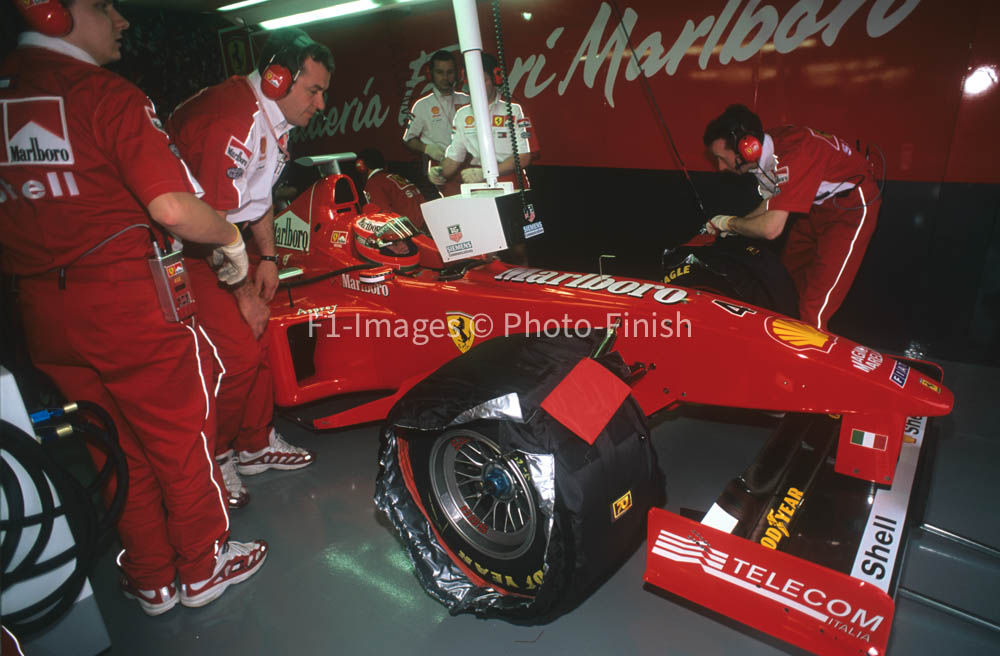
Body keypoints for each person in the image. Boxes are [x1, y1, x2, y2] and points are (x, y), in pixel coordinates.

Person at [0, 0, 267, 615]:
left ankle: (150, 577)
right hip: (125, 298)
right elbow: (172, 208)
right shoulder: (105, 95)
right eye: (102, 5)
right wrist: (229, 238)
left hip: (39, 309)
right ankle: (203, 564)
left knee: (111, 444)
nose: (121, 19)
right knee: (179, 435)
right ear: (50, 12)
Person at [167, 28, 332, 509]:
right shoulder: (231, 120)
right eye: (314, 90)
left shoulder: (269, 117)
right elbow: (213, 226)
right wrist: (243, 294)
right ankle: (216, 457)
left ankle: (255, 446)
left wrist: (270, 259)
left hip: (226, 242)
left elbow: (257, 199)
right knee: (235, 356)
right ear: (279, 78)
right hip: (187, 250)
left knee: (260, 340)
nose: (321, 105)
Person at [702, 104, 880, 330]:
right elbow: (770, 204)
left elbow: (770, 229)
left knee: (812, 310)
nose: (719, 167)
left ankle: (810, 356)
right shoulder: (770, 149)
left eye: (720, 158)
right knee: (784, 283)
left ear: (748, 147)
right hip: (815, 206)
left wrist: (730, 223)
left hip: (851, 208)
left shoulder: (795, 154)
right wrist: (731, 224)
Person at [429, 51, 535, 191]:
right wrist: (439, 172)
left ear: (495, 79)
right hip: (477, 184)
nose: (478, 86)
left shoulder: (514, 109)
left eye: (483, 80)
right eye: (472, 81)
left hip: (511, 184)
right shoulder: (462, 114)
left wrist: (487, 173)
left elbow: (524, 156)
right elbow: (455, 157)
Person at [402, 49, 468, 197]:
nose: (445, 77)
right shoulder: (421, 104)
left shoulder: (466, 99)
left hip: (466, 166)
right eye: (440, 72)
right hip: (438, 168)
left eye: (450, 72)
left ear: (456, 74)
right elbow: (408, 139)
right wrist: (427, 148)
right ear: (430, 74)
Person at [355, 148, 427, 231]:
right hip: (426, 229)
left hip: (409, 233)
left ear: (361, 166)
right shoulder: (396, 178)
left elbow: (382, 218)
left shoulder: (374, 183)